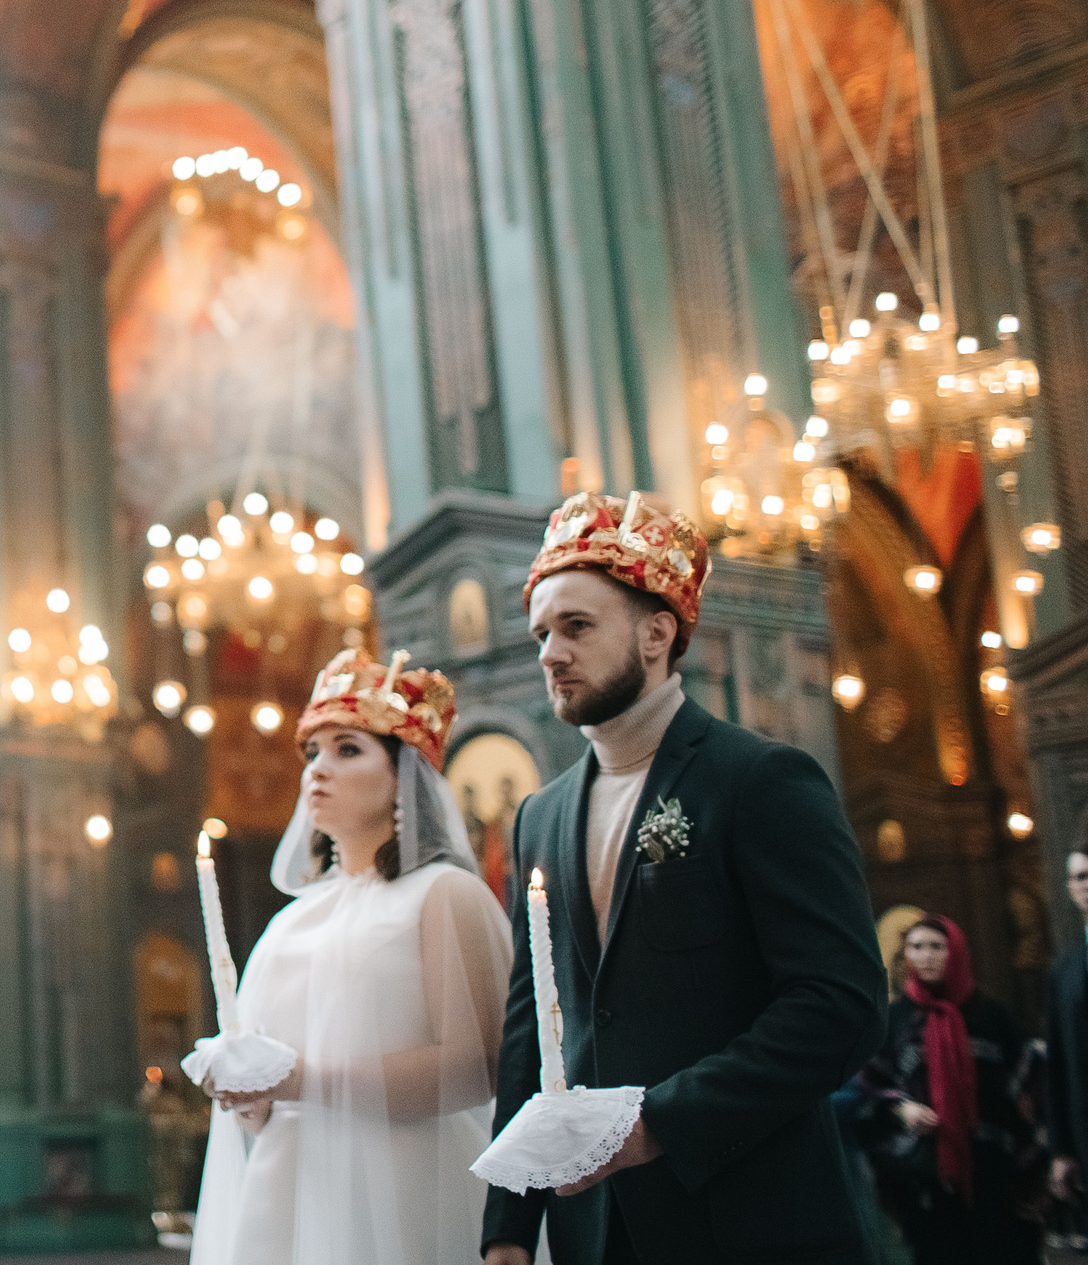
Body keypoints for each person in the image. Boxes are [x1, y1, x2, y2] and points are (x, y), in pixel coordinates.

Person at [480, 491, 887, 1265]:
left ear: (658, 631)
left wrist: (659, 1121)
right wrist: (509, 1222)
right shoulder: (540, 814)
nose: (549, 653)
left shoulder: (761, 780)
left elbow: (841, 1004)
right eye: (541, 633)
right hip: (594, 1229)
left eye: (576, 626)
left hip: (747, 1215)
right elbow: (534, 1027)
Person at [189, 648, 512, 1264]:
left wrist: (304, 1080)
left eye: (347, 749)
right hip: (290, 1193)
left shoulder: (442, 896)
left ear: (404, 774)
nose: (318, 769)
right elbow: (266, 1095)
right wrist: (246, 1092)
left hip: (405, 1188)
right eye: (312, 752)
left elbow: (475, 1069)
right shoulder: (290, 923)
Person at [853, 914, 1045, 1262]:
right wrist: (902, 1108)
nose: (926, 956)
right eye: (916, 947)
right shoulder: (894, 1020)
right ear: (905, 955)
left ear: (955, 951)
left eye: (936, 947)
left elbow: (1025, 1090)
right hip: (923, 1178)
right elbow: (869, 1088)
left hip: (994, 1172)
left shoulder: (991, 1016)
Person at [1045, 843, 1088, 1244]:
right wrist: (1061, 1150)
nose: (1086, 885)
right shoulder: (1066, 969)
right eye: (1079, 877)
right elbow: (1056, 1063)